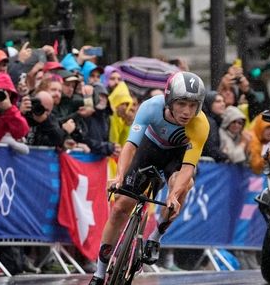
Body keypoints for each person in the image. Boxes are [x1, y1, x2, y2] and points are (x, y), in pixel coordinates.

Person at [89, 71, 209, 285]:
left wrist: (173, 195)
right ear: (169, 99)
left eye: (193, 105)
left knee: (184, 186)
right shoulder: (150, 107)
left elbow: (188, 167)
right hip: (149, 150)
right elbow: (130, 145)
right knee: (120, 208)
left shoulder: (200, 124)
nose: (187, 111)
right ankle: (99, 273)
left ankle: (155, 237)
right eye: (181, 103)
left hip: (177, 157)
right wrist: (119, 176)